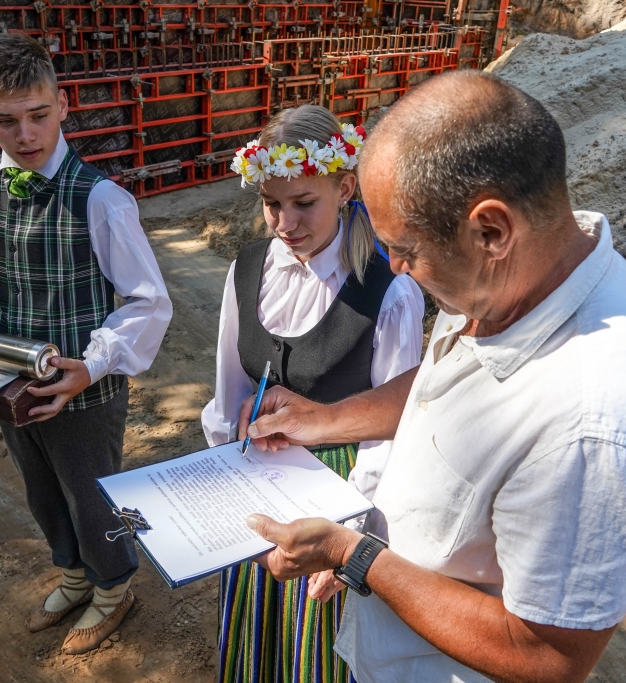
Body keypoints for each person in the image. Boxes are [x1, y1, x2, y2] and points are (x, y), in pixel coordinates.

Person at [236, 71, 626, 682]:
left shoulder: (599, 421)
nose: (394, 265)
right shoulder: (517, 275)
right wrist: (326, 420)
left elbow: (546, 656)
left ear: (491, 229)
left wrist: (355, 555)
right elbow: (444, 383)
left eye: (405, 247)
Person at [0, 33, 172, 655]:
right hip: (7, 377)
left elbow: (147, 301)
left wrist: (95, 364)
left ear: (62, 104)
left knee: (93, 490)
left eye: (37, 115)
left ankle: (113, 587)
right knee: (39, 485)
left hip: (84, 382)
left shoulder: (100, 199)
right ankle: (73, 573)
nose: (24, 135)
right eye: (5, 120)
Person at [204, 105, 424, 683]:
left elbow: (395, 427)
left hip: (339, 489)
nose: (285, 222)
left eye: (305, 203)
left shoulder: (388, 291)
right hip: (255, 480)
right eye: (272, 204)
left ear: (344, 186)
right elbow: (229, 393)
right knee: (259, 632)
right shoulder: (248, 268)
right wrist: (221, 474)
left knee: (316, 651)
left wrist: (356, 536)